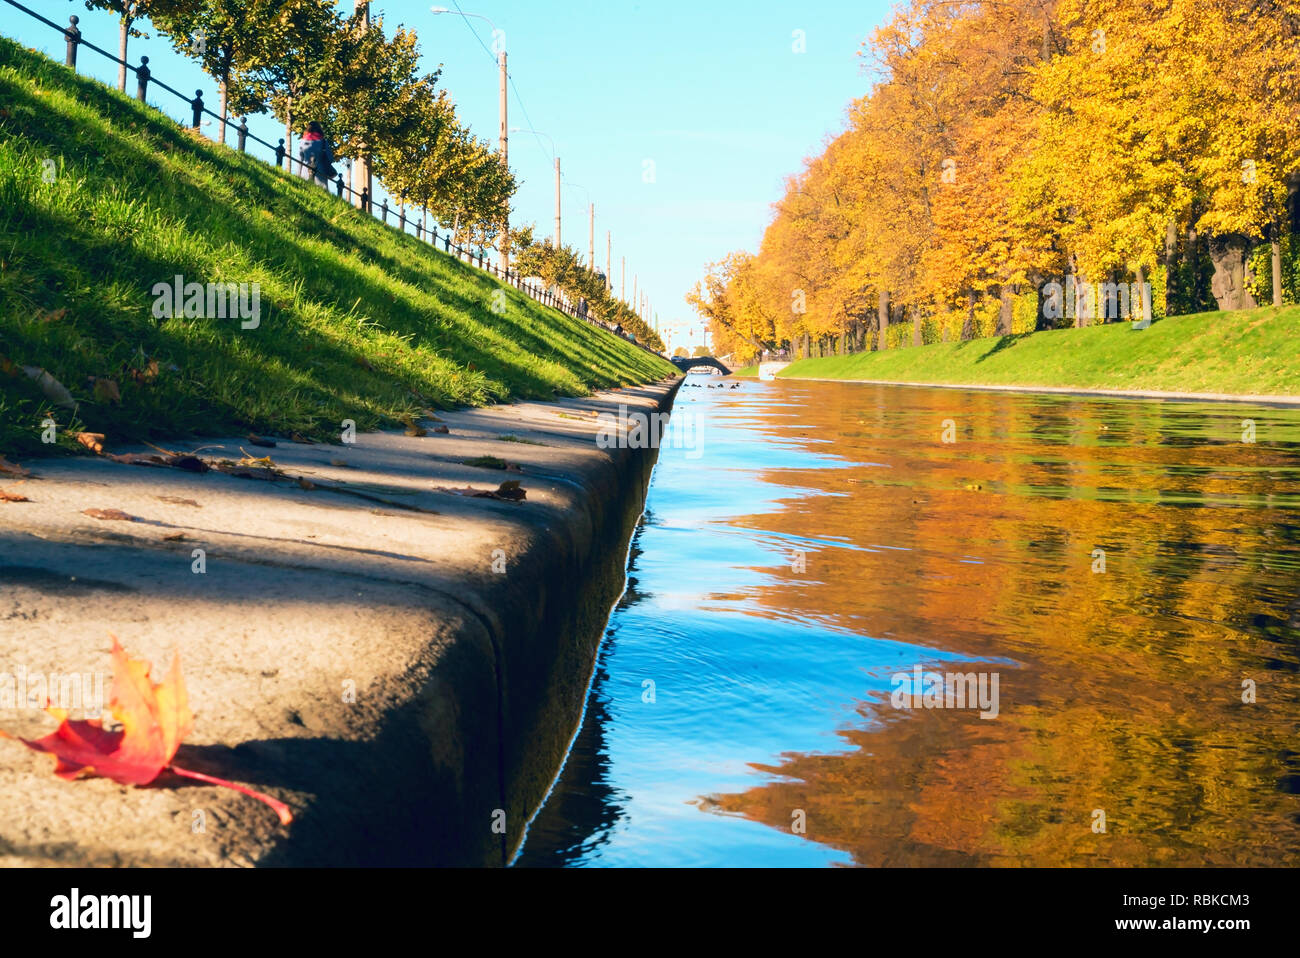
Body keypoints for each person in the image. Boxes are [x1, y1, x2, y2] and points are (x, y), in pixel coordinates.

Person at [298, 121, 335, 188]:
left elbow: (299, 160)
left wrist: (298, 175)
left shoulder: (303, 141)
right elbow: (330, 159)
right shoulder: (323, 142)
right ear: (319, 129)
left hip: (305, 172)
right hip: (321, 173)